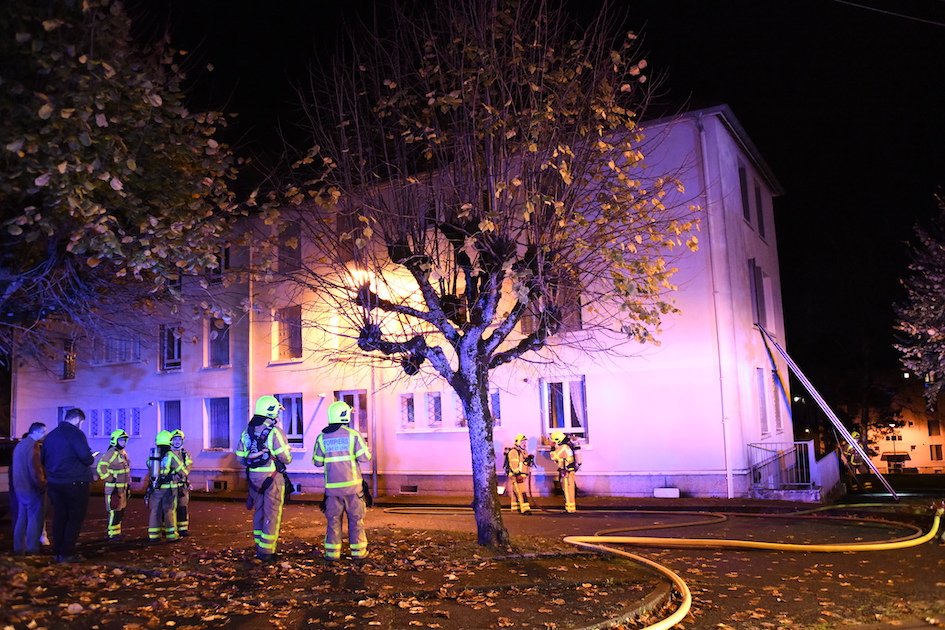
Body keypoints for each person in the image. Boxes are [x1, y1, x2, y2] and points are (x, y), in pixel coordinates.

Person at [312, 400, 372, 562]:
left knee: (333, 521)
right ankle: (358, 552)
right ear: (346, 416)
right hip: (353, 489)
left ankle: (332, 554)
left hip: (332, 490)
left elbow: (317, 462)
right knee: (356, 520)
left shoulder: (322, 437)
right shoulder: (353, 435)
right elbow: (365, 457)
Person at [236, 395, 292, 562]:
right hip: (272, 478)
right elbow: (285, 457)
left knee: (258, 511)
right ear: (272, 411)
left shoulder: (247, 432)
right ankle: (268, 551)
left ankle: (259, 546)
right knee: (272, 513)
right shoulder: (275, 432)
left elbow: (240, 457)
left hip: (254, 478)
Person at [42, 408, 94, 563]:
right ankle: (67, 553)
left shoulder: (51, 435)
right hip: (75, 482)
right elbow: (86, 458)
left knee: (60, 516)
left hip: (55, 483)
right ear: (78, 419)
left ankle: (58, 551)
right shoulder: (76, 434)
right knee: (74, 518)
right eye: (82, 423)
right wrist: (90, 456)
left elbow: (43, 459)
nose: (81, 426)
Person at [12, 422, 47, 555]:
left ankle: (19, 548)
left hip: (20, 487)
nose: (44, 435)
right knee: (34, 519)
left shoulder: (20, 445)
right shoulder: (33, 446)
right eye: (43, 432)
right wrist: (42, 483)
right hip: (31, 488)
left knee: (22, 518)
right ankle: (33, 549)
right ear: (37, 432)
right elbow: (35, 468)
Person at [146, 430, 184, 542]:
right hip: (168, 489)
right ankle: (171, 535)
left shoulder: (153, 454)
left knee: (155, 511)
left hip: (155, 487)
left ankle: (154, 535)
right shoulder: (171, 455)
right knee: (169, 511)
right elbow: (181, 470)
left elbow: (149, 466)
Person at [96, 429, 131, 541]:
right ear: (115, 440)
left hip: (122, 488)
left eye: (125, 440)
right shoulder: (111, 452)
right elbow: (101, 467)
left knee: (120, 511)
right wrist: (110, 479)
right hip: (114, 489)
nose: (123, 442)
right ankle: (112, 533)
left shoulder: (122, 453)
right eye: (121, 440)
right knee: (114, 511)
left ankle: (116, 532)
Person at [169, 429, 193, 537]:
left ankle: (183, 529)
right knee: (170, 508)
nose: (177, 441)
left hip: (182, 485)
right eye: (175, 439)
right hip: (171, 485)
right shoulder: (168, 454)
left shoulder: (185, 454)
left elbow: (189, 466)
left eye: (179, 439)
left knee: (183, 507)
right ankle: (170, 529)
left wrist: (182, 473)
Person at [550, 431, 579, 513]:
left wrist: (552, 447)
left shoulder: (563, 447)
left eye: (553, 441)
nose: (552, 442)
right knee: (571, 489)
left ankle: (569, 509)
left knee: (567, 489)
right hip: (570, 470)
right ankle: (571, 508)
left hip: (566, 472)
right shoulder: (567, 446)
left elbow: (553, 457)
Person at [505, 433, 534, 514]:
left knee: (516, 492)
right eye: (522, 442)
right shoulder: (514, 452)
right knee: (522, 492)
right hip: (517, 476)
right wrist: (518, 475)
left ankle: (515, 508)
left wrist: (528, 460)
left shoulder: (524, 452)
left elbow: (523, 463)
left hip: (522, 476)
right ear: (518, 442)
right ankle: (525, 509)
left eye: (525, 442)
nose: (524, 444)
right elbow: (514, 465)